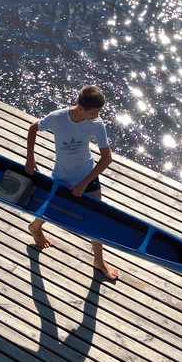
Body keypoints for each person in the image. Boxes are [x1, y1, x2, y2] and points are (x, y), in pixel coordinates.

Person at [24, 85, 120, 280]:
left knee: (95, 218)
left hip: (87, 176)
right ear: (81, 107)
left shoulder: (97, 124)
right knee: (51, 208)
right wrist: (30, 159)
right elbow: (34, 127)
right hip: (62, 175)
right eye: (93, 112)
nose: (97, 116)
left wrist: (83, 184)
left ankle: (98, 260)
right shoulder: (57, 117)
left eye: (98, 112)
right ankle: (35, 227)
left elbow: (106, 158)